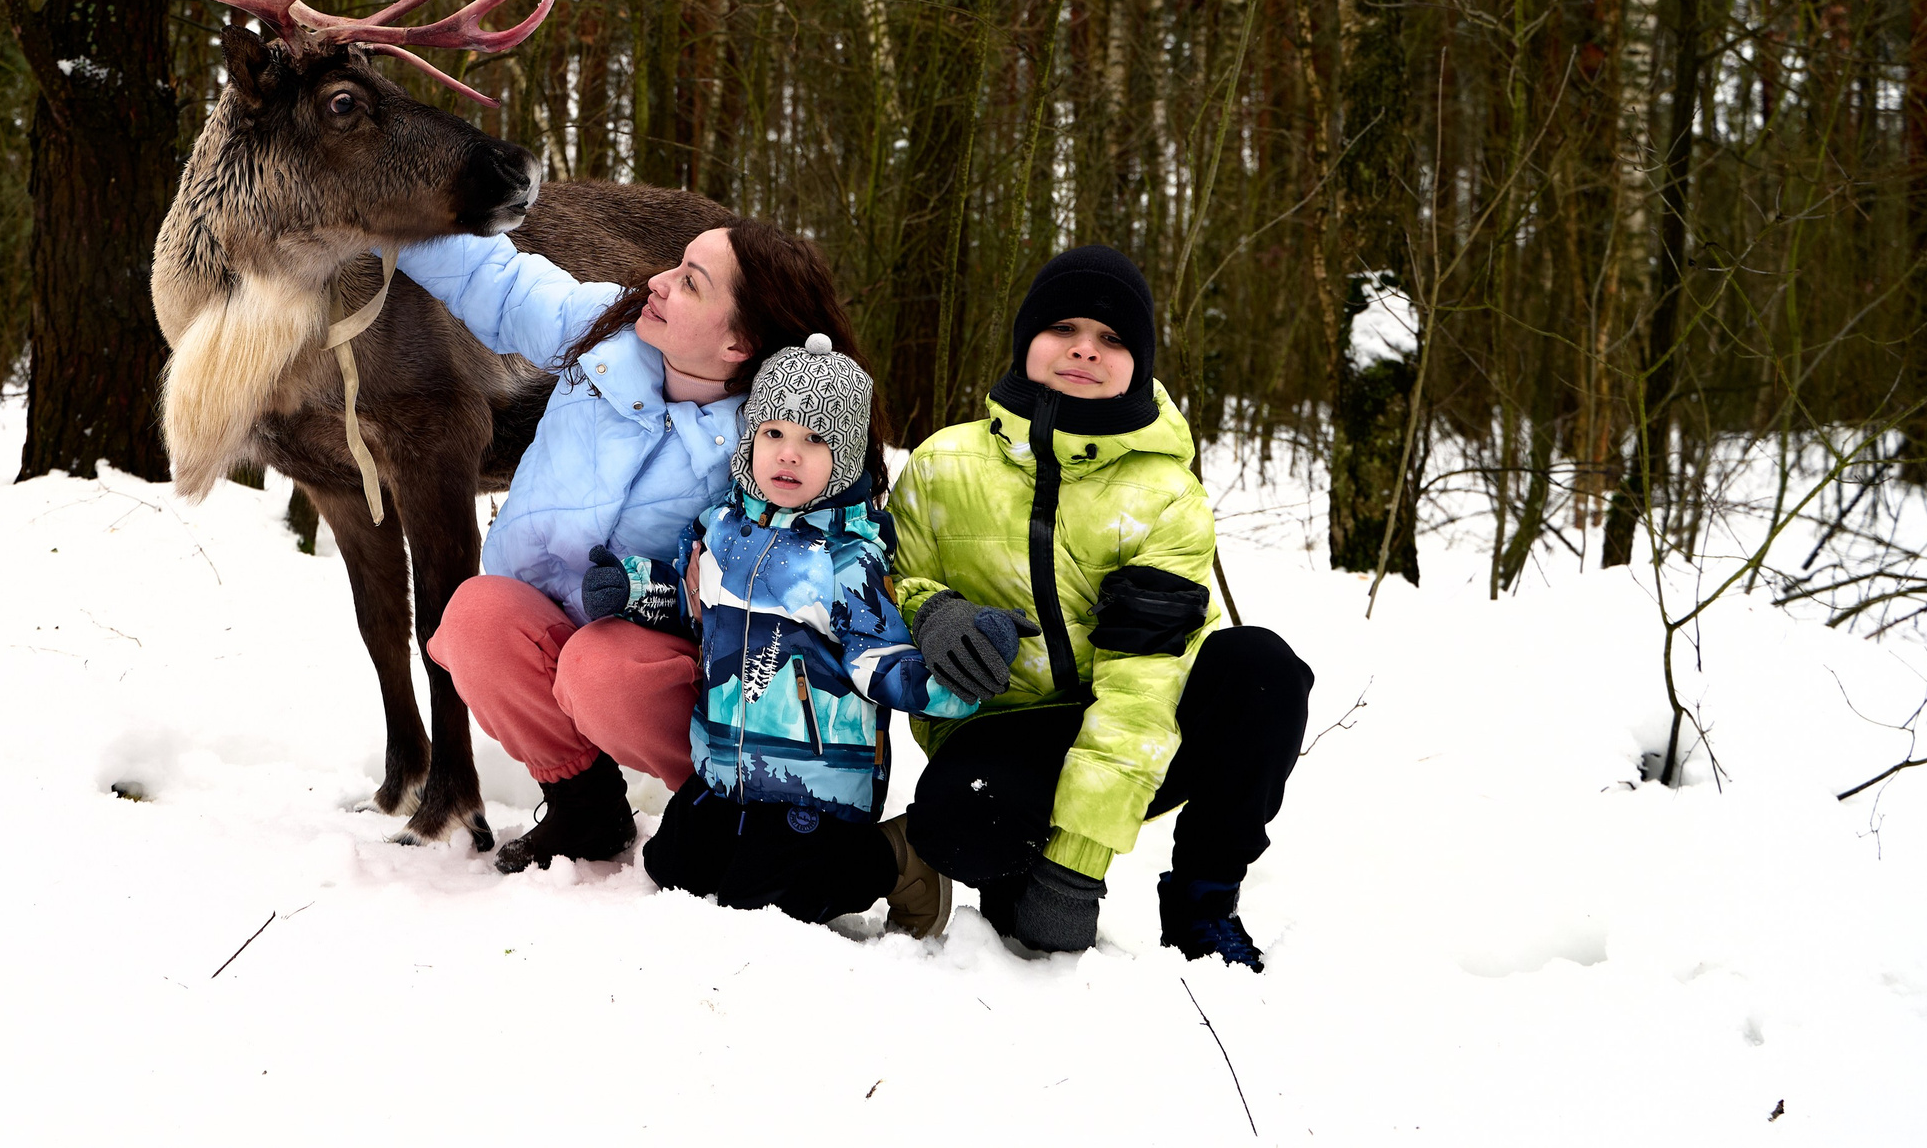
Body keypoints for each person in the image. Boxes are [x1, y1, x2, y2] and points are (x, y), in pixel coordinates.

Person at [399, 219, 876, 873]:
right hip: (553, 621)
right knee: (477, 619)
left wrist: (675, 588)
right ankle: (583, 806)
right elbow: (499, 283)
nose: (656, 281)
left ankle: (734, 803)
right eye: (677, 265)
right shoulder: (603, 331)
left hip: (677, 664)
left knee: (602, 671)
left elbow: (820, 580)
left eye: (689, 282)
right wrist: (380, 212)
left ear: (739, 341)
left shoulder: (773, 452)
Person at [891, 246, 1313, 968]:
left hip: (1143, 721)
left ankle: (1203, 900)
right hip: (1005, 726)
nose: (1086, 348)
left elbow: (1141, 685)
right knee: (961, 827)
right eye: (1064, 326)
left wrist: (1074, 868)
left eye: (1114, 338)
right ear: (1027, 340)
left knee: (1260, 668)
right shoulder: (939, 466)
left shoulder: (1165, 494)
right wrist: (934, 613)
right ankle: (1009, 857)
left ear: (1138, 362)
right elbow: (893, 582)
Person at [581, 336, 973, 936]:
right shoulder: (720, 534)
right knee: (672, 867)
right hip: (724, 771)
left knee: (768, 904)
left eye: (815, 439)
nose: (789, 455)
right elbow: (694, 610)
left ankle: (897, 858)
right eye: (774, 433)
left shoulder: (847, 561)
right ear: (751, 440)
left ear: (843, 457)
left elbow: (879, 659)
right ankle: (740, 840)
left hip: (811, 786)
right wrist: (634, 588)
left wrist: (956, 679)